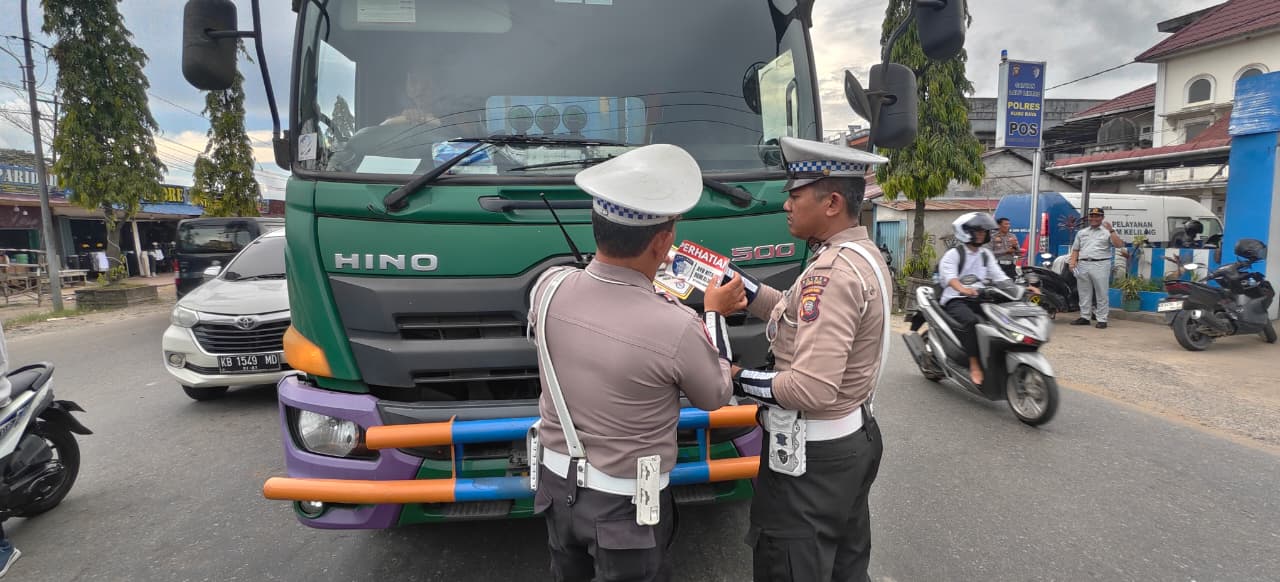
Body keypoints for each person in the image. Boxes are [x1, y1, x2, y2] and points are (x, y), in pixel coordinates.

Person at [527, 144, 743, 582]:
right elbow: (716, 395)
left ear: (596, 226)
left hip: (554, 485)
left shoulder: (546, 288)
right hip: (624, 511)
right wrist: (714, 313)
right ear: (664, 241)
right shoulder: (676, 326)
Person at [730, 137, 892, 582]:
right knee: (845, 564)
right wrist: (744, 291)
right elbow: (797, 311)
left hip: (812, 458)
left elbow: (811, 389)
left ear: (832, 202)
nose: (786, 204)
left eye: (795, 195)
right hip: (851, 441)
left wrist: (738, 378)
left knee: (791, 564)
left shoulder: (831, 272)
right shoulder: (860, 255)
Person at [938, 213, 1008, 385]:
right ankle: (974, 363)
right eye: (977, 231)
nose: (981, 234)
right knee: (972, 322)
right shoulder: (954, 254)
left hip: (980, 298)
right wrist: (964, 289)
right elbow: (950, 278)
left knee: (1002, 321)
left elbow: (999, 276)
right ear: (965, 232)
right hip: (956, 299)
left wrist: (1018, 288)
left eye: (983, 231)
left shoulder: (986, 254)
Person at [1069, 207, 1125, 329]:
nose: (1094, 218)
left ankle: (1102, 319)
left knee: (1101, 292)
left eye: (1097, 216)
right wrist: (1072, 263)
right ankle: (1085, 317)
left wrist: (1112, 231)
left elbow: (1119, 245)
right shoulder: (1082, 232)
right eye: (1092, 216)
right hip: (1083, 264)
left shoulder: (1107, 232)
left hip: (1100, 264)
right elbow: (1076, 249)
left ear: (1102, 218)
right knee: (1083, 292)